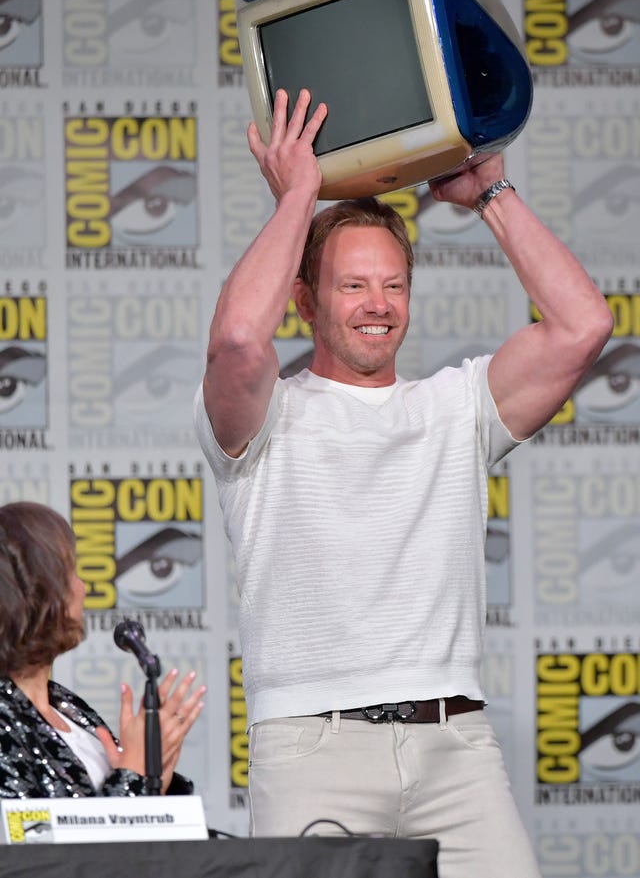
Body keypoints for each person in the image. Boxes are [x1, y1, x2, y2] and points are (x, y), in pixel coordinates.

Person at [193, 89, 613, 876]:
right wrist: (298, 197)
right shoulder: (265, 416)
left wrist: (489, 191)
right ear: (305, 300)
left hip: (456, 746)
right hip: (313, 746)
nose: (378, 306)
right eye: (353, 285)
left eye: (393, 285)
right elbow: (240, 340)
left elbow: (583, 325)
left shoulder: (457, 406)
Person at [0, 500, 206, 799]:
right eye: (70, 572)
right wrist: (133, 773)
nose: (82, 588)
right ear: (33, 591)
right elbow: (33, 828)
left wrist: (154, 779)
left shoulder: (71, 709)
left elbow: (127, 814)